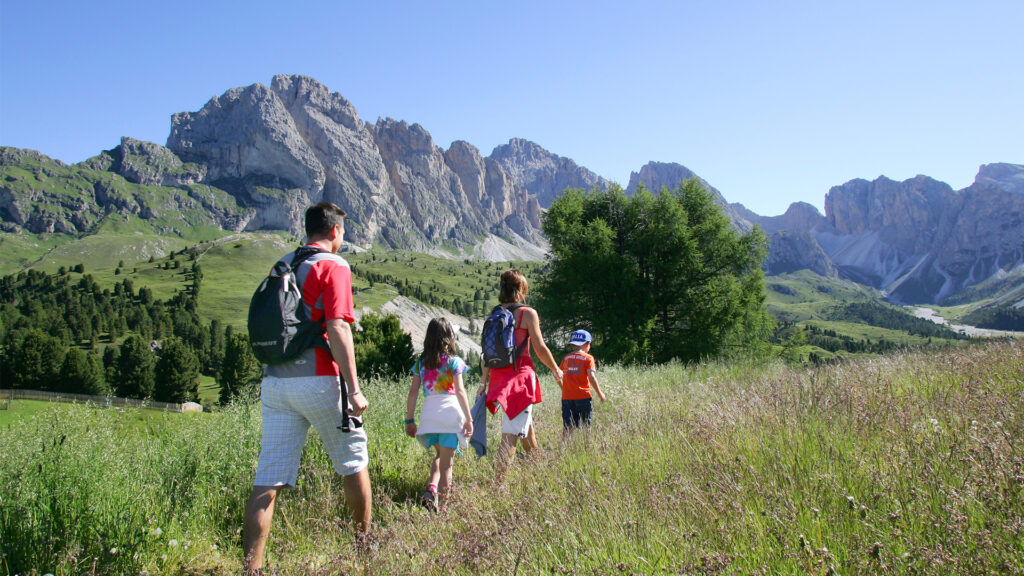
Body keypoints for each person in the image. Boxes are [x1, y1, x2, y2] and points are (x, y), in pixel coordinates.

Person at [243, 202, 371, 574]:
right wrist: (355, 388)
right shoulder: (334, 265)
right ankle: (364, 554)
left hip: (275, 381)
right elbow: (338, 328)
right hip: (320, 381)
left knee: (268, 478)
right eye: (342, 233)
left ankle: (251, 568)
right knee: (353, 462)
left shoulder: (283, 262)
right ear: (334, 232)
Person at [482, 269, 562, 477]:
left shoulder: (495, 313)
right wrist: (556, 370)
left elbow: (487, 353)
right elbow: (540, 348)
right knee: (510, 435)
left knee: (525, 427)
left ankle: (539, 473)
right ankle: (498, 487)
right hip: (520, 379)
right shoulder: (527, 313)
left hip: (499, 378)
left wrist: (484, 381)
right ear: (521, 289)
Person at [404, 317, 474, 511]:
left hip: (429, 417)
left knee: (439, 455)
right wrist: (469, 419)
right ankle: (443, 511)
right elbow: (460, 391)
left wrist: (409, 420)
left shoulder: (421, 364)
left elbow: (413, 392)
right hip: (450, 416)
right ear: (449, 337)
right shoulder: (454, 362)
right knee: (447, 467)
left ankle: (431, 489)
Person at [558, 329, 606, 430]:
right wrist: (600, 394)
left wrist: (564, 389)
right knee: (585, 427)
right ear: (587, 344)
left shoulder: (566, 358)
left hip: (567, 398)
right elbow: (591, 377)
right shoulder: (588, 358)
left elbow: (558, 376)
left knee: (568, 428)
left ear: (572, 345)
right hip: (583, 397)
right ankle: (586, 445)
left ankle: (565, 445)